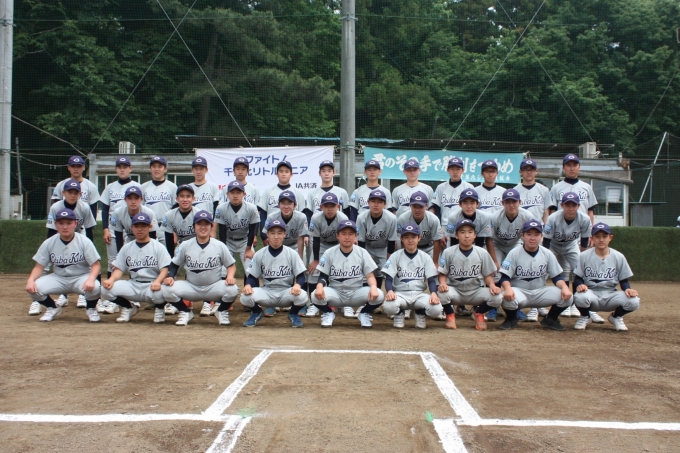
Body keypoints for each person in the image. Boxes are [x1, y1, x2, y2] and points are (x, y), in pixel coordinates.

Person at [162, 211, 239, 326]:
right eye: (199, 224)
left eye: (206, 224)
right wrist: (170, 276)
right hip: (191, 287)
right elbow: (175, 264)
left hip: (213, 287)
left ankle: (221, 311)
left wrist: (230, 276)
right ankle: (185, 312)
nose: (203, 227)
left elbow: (231, 265)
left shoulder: (219, 245)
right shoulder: (185, 245)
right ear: (194, 226)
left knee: (233, 289)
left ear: (211, 227)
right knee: (166, 289)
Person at [25, 208, 101, 322]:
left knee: (95, 287)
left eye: (69, 223)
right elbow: (39, 266)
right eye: (61, 223)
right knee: (34, 289)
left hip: (80, 277)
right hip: (59, 278)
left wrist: (91, 279)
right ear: (56, 224)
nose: (65, 227)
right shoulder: (49, 242)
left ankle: (91, 309)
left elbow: (96, 265)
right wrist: (30, 280)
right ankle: (53, 307)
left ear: (75, 223)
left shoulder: (84, 241)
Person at [497, 220, 573, 331]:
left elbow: (556, 277)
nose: (532, 238)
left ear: (541, 236)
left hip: (540, 292)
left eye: (536, 234)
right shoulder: (514, 253)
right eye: (529, 234)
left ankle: (551, 319)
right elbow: (504, 276)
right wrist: (507, 288)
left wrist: (565, 287)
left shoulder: (547, 253)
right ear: (522, 236)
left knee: (568, 297)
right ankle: (511, 319)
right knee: (504, 296)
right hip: (520, 292)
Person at [543, 192, 604, 323]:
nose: (571, 208)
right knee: (548, 271)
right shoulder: (553, 218)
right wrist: (546, 259)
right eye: (567, 205)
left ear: (578, 206)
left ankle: (583, 305)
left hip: (570, 245)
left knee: (580, 271)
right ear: (562, 205)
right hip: (553, 245)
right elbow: (546, 241)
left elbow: (584, 242)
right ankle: (554, 305)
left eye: (574, 205)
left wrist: (582, 259)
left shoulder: (584, 219)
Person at [311, 220, 385, 328]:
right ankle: (328, 313)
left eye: (351, 234)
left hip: (356, 293)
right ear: (337, 236)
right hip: (335, 293)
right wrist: (319, 286)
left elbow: (370, 276)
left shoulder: (362, 252)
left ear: (356, 236)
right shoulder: (329, 252)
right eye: (343, 234)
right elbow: (323, 276)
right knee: (314, 295)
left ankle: (364, 313)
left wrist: (373, 286)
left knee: (379, 295)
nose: (347, 237)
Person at [101, 213, 171, 324]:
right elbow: (119, 269)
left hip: (152, 285)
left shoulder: (158, 247)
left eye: (143, 226)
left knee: (166, 291)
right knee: (105, 290)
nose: (140, 229)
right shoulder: (127, 247)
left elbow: (165, 270)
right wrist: (111, 280)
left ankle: (159, 309)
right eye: (136, 226)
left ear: (150, 227)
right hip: (133, 284)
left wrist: (158, 281)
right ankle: (129, 307)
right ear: (132, 228)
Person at [40, 179, 97, 312]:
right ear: (63, 193)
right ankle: (55, 297)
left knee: (87, 266)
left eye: (75, 192)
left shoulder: (84, 207)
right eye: (69, 192)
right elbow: (51, 230)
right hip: (60, 237)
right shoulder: (55, 207)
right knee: (54, 266)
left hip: (79, 237)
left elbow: (89, 229)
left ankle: (85, 295)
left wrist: (90, 248)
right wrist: (50, 248)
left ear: (80, 194)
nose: (72, 195)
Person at [240, 219, 309, 328]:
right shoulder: (260, 254)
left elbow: (301, 276)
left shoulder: (292, 253)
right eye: (272, 233)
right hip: (266, 292)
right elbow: (252, 276)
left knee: (303, 296)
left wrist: (297, 285)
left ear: (285, 234)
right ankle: (257, 313)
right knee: (245, 297)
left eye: (279, 233)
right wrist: (248, 285)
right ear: (267, 234)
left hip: (286, 292)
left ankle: (293, 314)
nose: (276, 236)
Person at [572, 223, 640, 331]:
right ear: (592, 238)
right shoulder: (584, 256)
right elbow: (577, 278)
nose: (601, 239)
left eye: (604, 236)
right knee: (579, 297)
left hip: (611, 295)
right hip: (591, 294)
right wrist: (580, 285)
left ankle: (616, 317)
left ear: (610, 238)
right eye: (597, 236)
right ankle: (585, 316)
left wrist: (628, 289)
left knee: (634, 301)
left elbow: (623, 280)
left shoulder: (619, 257)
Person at [437, 219, 502, 330]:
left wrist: (492, 285)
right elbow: (443, 273)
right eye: (462, 232)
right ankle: (450, 315)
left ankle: (479, 313)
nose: (466, 235)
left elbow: (487, 275)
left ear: (475, 235)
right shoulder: (448, 252)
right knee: (441, 293)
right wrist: (443, 283)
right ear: (456, 235)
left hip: (475, 291)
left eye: (470, 232)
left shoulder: (482, 252)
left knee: (497, 297)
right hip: (456, 292)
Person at [100, 156, 142, 314]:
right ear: (116, 169)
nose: (122, 169)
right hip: (114, 227)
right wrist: (105, 229)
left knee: (134, 261)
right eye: (119, 167)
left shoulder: (137, 186)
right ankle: (113, 294)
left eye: (125, 166)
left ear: (130, 168)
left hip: (133, 228)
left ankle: (134, 295)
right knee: (114, 261)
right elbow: (105, 209)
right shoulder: (110, 187)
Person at [381, 223, 442, 329]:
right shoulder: (395, 256)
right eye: (406, 237)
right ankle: (399, 313)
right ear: (401, 239)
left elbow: (431, 280)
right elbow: (389, 278)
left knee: (437, 309)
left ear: (419, 238)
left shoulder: (425, 257)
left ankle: (420, 312)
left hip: (419, 295)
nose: (410, 240)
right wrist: (390, 291)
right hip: (400, 294)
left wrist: (433, 293)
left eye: (413, 237)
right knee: (388, 306)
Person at [488, 188, 533, 321]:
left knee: (516, 272)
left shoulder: (527, 216)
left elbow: (530, 235)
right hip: (497, 244)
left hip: (515, 243)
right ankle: (493, 307)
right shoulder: (495, 217)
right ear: (503, 203)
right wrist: (494, 260)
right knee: (495, 273)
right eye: (508, 202)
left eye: (514, 201)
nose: (511, 205)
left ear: (520, 202)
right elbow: (489, 239)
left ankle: (515, 307)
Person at [355, 189, 397, 318]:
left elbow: (392, 240)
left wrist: (389, 257)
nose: (376, 204)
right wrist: (365, 258)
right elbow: (361, 241)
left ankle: (385, 303)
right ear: (368, 202)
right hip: (367, 247)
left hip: (384, 248)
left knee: (386, 273)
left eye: (380, 202)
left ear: (385, 204)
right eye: (373, 201)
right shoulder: (362, 217)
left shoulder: (391, 218)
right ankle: (366, 302)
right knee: (366, 273)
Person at [307, 193, 349, 316]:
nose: (329, 209)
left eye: (332, 206)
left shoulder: (343, 218)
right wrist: (316, 260)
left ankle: (341, 303)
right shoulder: (316, 218)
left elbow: (344, 238)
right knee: (314, 271)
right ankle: (314, 303)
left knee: (340, 271)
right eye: (326, 206)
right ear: (321, 207)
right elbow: (315, 240)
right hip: (321, 245)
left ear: (338, 206)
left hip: (338, 245)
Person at [214, 181, 259, 286]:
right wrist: (224, 250)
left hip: (245, 241)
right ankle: (221, 294)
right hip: (228, 241)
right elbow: (222, 232)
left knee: (251, 270)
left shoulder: (251, 208)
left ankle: (253, 294)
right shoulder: (221, 208)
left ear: (244, 194)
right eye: (232, 192)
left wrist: (249, 248)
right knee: (223, 270)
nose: (235, 195)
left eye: (238, 192)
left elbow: (252, 230)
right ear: (227, 194)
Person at [549, 154, 597, 225]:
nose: (572, 168)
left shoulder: (587, 187)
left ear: (579, 167)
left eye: (575, 165)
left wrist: (591, 227)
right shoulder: (556, 188)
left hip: (582, 226)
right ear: (563, 168)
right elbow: (553, 210)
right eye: (568, 165)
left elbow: (590, 210)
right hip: (561, 227)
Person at [396, 191, 444, 263]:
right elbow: (401, 240)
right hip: (410, 248)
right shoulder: (403, 218)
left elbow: (437, 241)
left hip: (429, 248)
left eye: (420, 207)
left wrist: (435, 262)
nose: (417, 210)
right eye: (414, 206)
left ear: (426, 206)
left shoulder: (433, 219)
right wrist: (405, 257)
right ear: (410, 205)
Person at [141, 156, 178, 247]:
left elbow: (176, 210)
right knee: (149, 252)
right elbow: (140, 208)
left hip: (166, 225)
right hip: (148, 225)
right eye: (154, 166)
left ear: (165, 169)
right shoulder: (143, 187)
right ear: (150, 169)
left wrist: (175, 231)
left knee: (167, 253)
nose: (156, 169)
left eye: (160, 166)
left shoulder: (172, 187)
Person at [110, 186, 159, 253]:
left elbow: (152, 235)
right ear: (125, 199)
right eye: (130, 198)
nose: (133, 202)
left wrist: (150, 251)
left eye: (136, 198)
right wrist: (121, 255)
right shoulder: (118, 213)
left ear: (141, 199)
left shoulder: (149, 213)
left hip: (147, 241)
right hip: (130, 240)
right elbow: (119, 238)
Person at [51, 155, 100, 221]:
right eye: (73, 166)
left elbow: (93, 209)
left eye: (79, 166)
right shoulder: (60, 185)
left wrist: (91, 225)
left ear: (83, 167)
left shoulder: (91, 186)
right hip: (65, 222)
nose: (76, 169)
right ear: (68, 167)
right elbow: (55, 206)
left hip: (83, 223)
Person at [258, 160, 306, 225]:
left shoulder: (298, 193)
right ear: (277, 174)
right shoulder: (268, 192)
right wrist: (264, 231)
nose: (284, 174)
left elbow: (302, 215)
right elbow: (263, 214)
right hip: (273, 229)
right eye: (281, 171)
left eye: (286, 171)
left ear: (291, 174)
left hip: (293, 229)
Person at [431, 156, 474, 225]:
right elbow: (437, 208)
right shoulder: (440, 187)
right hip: (445, 224)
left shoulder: (469, 187)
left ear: (463, 170)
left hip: (463, 224)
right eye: (452, 169)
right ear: (448, 170)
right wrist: (438, 226)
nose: (455, 172)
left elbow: (473, 208)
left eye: (458, 169)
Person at [514, 158, 550, 224]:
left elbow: (546, 213)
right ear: (520, 172)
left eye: (532, 169)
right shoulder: (515, 191)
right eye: (525, 169)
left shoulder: (544, 190)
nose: (529, 172)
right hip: (521, 227)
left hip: (539, 227)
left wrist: (546, 229)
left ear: (536, 171)